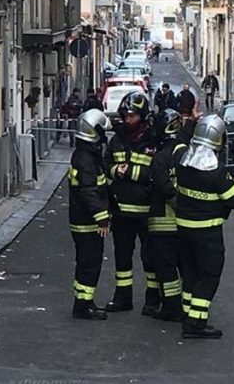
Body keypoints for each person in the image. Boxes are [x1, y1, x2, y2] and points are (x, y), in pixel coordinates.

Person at [176, 114, 234, 339]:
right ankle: (196, 322)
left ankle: (187, 314)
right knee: (209, 274)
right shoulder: (216, 172)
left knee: (190, 273)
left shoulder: (183, 163)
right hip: (208, 234)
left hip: (183, 230)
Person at [104, 91, 160, 315]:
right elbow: (105, 163)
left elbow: (157, 172)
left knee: (150, 258)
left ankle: (152, 299)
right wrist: (115, 170)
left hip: (147, 212)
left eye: (132, 116)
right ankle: (122, 298)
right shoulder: (117, 139)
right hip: (121, 212)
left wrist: (131, 173)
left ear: (143, 116)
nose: (128, 120)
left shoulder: (153, 141)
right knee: (122, 257)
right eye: (125, 116)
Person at [68, 109, 113, 320]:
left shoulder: (84, 155)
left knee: (85, 263)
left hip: (82, 220)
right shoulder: (86, 159)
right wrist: (102, 217)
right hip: (87, 222)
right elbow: (89, 191)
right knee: (90, 263)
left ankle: (83, 301)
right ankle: (84, 305)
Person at [148, 109, 188, 322]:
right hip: (187, 223)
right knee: (186, 265)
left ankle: (171, 308)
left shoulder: (160, 158)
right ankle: (189, 307)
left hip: (162, 222)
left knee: (166, 267)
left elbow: (163, 189)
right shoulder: (188, 154)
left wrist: (178, 204)